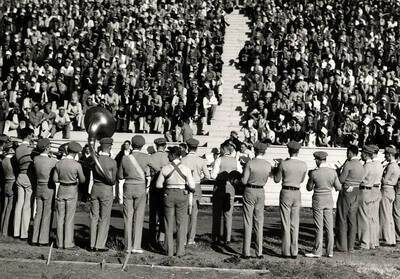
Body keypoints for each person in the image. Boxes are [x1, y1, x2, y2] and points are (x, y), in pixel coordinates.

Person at [156, 146, 195, 256]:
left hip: (168, 194)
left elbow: (158, 185)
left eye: (169, 154)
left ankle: (169, 250)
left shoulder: (165, 168)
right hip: (182, 194)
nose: (167, 156)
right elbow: (192, 186)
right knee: (181, 223)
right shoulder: (186, 169)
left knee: (168, 222)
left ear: (173, 155)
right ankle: (180, 251)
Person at [274, 141, 308, 259]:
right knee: (295, 222)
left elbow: (277, 180)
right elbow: (302, 180)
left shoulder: (283, 163)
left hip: (286, 191)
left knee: (285, 222)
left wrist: (276, 168)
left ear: (288, 150)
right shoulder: (303, 164)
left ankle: (286, 251)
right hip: (297, 192)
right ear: (298, 151)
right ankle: (294, 251)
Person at [117, 135, 151, 254]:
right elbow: (155, 168)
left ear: (131, 144)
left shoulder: (125, 158)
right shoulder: (147, 157)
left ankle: (128, 246)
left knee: (127, 216)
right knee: (139, 216)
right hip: (141, 187)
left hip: (128, 186)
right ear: (142, 145)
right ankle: (136, 245)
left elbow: (120, 176)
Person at [305, 151, 341, 258]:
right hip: (329, 199)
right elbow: (338, 187)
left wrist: (309, 177)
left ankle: (317, 251)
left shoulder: (314, 173)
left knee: (319, 227)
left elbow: (309, 188)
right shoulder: (333, 172)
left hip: (318, 199)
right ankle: (330, 251)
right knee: (329, 227)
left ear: (318, 160)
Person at [241, 141, 271, 259]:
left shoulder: (250, 163)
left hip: (250, 190)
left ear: (254, 150)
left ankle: (246, 251)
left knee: (248, 221)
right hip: (261, 190)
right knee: (259, 221)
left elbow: (244, 181)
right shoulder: (268, 164)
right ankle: (259, 252)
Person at [53, 141, 85, 249]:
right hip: (71, 189)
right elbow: (83, 180)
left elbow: (55, 179)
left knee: (60, 217)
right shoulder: (77, 165)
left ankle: (59, 243)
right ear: (76, 153)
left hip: (61, 189)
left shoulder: (59, 163)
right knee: (69, 218)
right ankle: (68, 243)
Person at [211, 140, 242, 244]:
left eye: (221, 149)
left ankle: (216, 237)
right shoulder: (235, 161)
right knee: (228, 214)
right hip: (230, 188)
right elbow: (239, 173)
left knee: (217, 213)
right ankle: (227, 238)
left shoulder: (219, 160)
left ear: (224, 149)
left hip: (219, 187)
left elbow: (213, 175)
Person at [89, 138, 117, 252]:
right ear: (110, 147)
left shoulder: (94, 160)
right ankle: (99, 244)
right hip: (106, 190)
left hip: (95, 188)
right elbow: (113, 180)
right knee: (104, 218)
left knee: (93, 217)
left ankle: (91, 243)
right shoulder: (112, 162)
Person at [181, 138, 210, 245]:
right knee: (194, 213)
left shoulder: (183, 160)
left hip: (185, 185)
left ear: (188, 147)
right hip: (196, 185)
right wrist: (200, 181)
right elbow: (207, 176)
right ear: (196, 148)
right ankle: (191, 239)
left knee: (183, 213)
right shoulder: (201, 160)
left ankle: (182, 238)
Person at [335, 145, 364, 252]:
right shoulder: (361, 165)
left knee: (342, 218)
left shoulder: (348, 164)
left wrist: (337, 172)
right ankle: (350, 246)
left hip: (347, 191)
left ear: (351, 153)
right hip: (356, 190)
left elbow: (342, 180)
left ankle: (342, 245)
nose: (347, 154)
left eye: (347, 152)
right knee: (352, 219)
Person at [32, 139, 58, 246]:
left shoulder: (35, 159)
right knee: (47, 213)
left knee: (38, 213)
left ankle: (35, 238)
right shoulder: (53, 161)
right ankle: (43, 239)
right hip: (49, 187)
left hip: (39, 186)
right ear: (47, 148)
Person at [148, 137, 169, 250]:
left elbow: (148, 172)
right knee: (163, 213)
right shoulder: (168, 157)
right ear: (165, 146)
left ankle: (152, 238)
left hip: (153, 186)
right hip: (165, 187)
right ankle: (161, 237)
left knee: (153, 213)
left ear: (156, 146)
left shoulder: (151, 157)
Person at [358, 145, 381, 250]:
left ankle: (364, 242)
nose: (361, 154)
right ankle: (373, 241)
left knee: (363, 217)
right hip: (373, 190)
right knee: (372, 217)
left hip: (365, 190)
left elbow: (360, 178)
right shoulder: (376, 165)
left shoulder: (366, 166)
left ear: (366, 154)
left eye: (362, 153)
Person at [13, 128, 34, 241]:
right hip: (28, 176)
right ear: (30, 135)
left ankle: (16, 231)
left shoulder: (18, 149)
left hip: (19, 176)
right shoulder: (30, 149)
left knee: (18, 204)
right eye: (32, 135)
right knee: (26, 206)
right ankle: (24, 233)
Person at [380, 146, 400, 246]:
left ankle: (387, 238)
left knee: (385, 215)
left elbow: (384, 180)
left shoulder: (390, 166)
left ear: (390, 155)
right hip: (392, 190)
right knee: (390, 216)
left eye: (387, 155)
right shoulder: (396, 166)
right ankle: (391, 238)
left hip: (386, 189)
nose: (385, 156)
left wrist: (380, 175)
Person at [0, 142, 17, 237]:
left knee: (5, 208)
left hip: (6, 183)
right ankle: (6, 230)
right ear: (10, 150)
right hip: (12, 184)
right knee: (9, 208)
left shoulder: (4, 160)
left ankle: (2, 228)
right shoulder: (12, 161)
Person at [370, 145, 384, 249]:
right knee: (375, 217)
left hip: (371, 189)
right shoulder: (379, 164)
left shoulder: (372, 164)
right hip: (377, 189)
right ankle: (375, 241)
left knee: (370, 217)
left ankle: (371, 240)